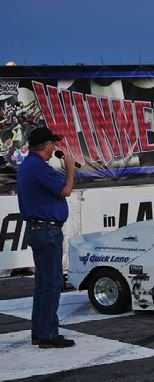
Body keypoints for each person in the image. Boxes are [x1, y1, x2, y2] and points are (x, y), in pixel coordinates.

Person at [17, 126, 76, 348]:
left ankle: (40, 331)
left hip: (37, 229)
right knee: (51, 283)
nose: (55, 147)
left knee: (43, 283)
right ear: (45, 146)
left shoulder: (28, 165)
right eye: (52, 144)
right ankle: (48, 334)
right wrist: (70, 169)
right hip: (47, 230)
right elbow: (65, 190)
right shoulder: (39, 167)